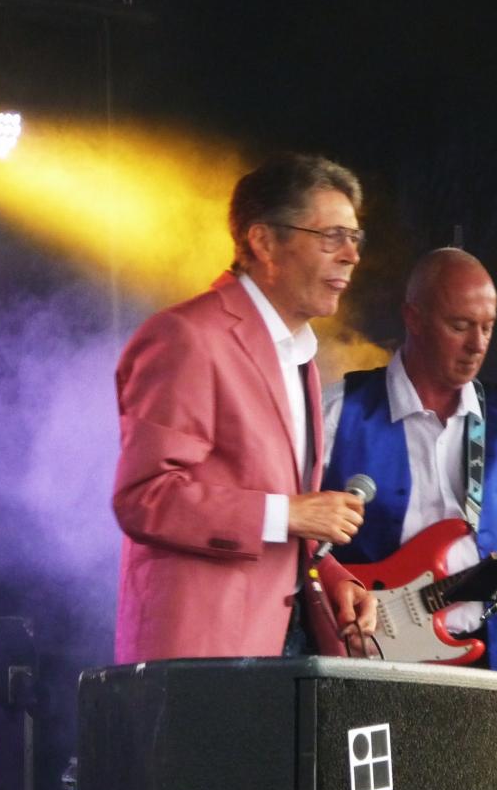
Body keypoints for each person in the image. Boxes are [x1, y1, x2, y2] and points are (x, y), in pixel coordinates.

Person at [112, 152, 377, 664]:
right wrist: (290, 513)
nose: (352, 256)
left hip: (276, 648)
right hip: (201, 654)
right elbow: (144, 498)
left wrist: (332, 577)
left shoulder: (298, 354)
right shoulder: (187, 336)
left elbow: (281, 520)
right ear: (263, 241)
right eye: (332, 237)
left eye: (354, 238)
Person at [321, 247, 497, 671]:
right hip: (362, 656)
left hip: (482, 656)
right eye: (460, 326)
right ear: (414, 318)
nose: (477, 344)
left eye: (487, 327)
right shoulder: (337, 411)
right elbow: (295, 542)